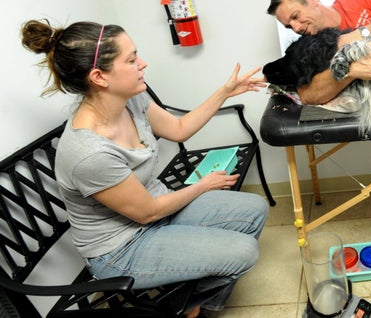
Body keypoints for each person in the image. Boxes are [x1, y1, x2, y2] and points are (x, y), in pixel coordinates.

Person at [21, 19, 269, 318]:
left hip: (158, 211)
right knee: (244, 252)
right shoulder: (89, 152)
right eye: (131, 59)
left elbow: (178, 129)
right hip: (122, 248)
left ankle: (197, 304)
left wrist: (225, 92)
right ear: (100, 77)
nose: (143, 63)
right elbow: (147, 212)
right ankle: (187, 309)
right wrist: (202, 185)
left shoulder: (132, 99)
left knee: (254, 209)